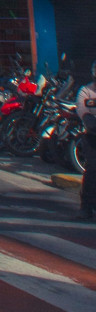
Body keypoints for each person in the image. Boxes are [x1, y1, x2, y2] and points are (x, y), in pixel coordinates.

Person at [77, 61, 96, 221]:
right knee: (92, 169)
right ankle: (86, 207)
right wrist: (89, 121)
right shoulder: (86, 91)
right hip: (92, 136)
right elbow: (83, 111)